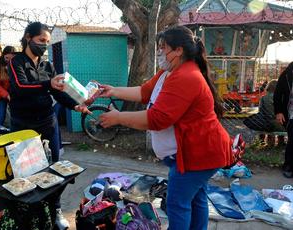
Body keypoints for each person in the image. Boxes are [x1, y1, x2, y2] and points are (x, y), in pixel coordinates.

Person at [99, 26, 232, 230]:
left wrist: (118, 118)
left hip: (199, 154)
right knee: (195, 200)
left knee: (176, 204)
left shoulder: (187, 76)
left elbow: (157, 119)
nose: (160, 52)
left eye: (163, 47)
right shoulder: (169, 72)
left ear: (178, 50)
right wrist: (114, 91)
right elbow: (144, 92)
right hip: (196, 153)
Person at [7, 21, 89, 229]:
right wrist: (47, 84)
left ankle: (56, 208)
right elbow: (20, 87)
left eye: (47, 42)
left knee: (56, 169)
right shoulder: (16, 62)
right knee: (26, 172)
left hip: (47, 123)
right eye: (41, 40)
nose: (44, 45)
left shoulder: (47, 66)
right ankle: (32, 213)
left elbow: (57, 92)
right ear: (28, 38)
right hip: (23, 126)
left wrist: (75, 105)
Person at [243, 79, 285, 145]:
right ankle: (281, 142)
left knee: (265, 122)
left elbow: (261, 110)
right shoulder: (282, 98)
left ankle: (264, 142)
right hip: (279, 124)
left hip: (266, 123)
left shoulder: (263, 98)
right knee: (280, 122)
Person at [0, 46, 15, 137]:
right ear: (3, 56)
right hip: (0, 95)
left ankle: (13, 137)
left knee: (15, 116)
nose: (9, 60)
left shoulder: (16, 64)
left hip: (11, 94)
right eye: (7, 58)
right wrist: (6, 94)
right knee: (1, 117)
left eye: (11, 58)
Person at [274, 62, 293, 178]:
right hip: (291, 113)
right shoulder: (286, 74)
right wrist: (279, 112)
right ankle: (289, 166)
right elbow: (277, 94)